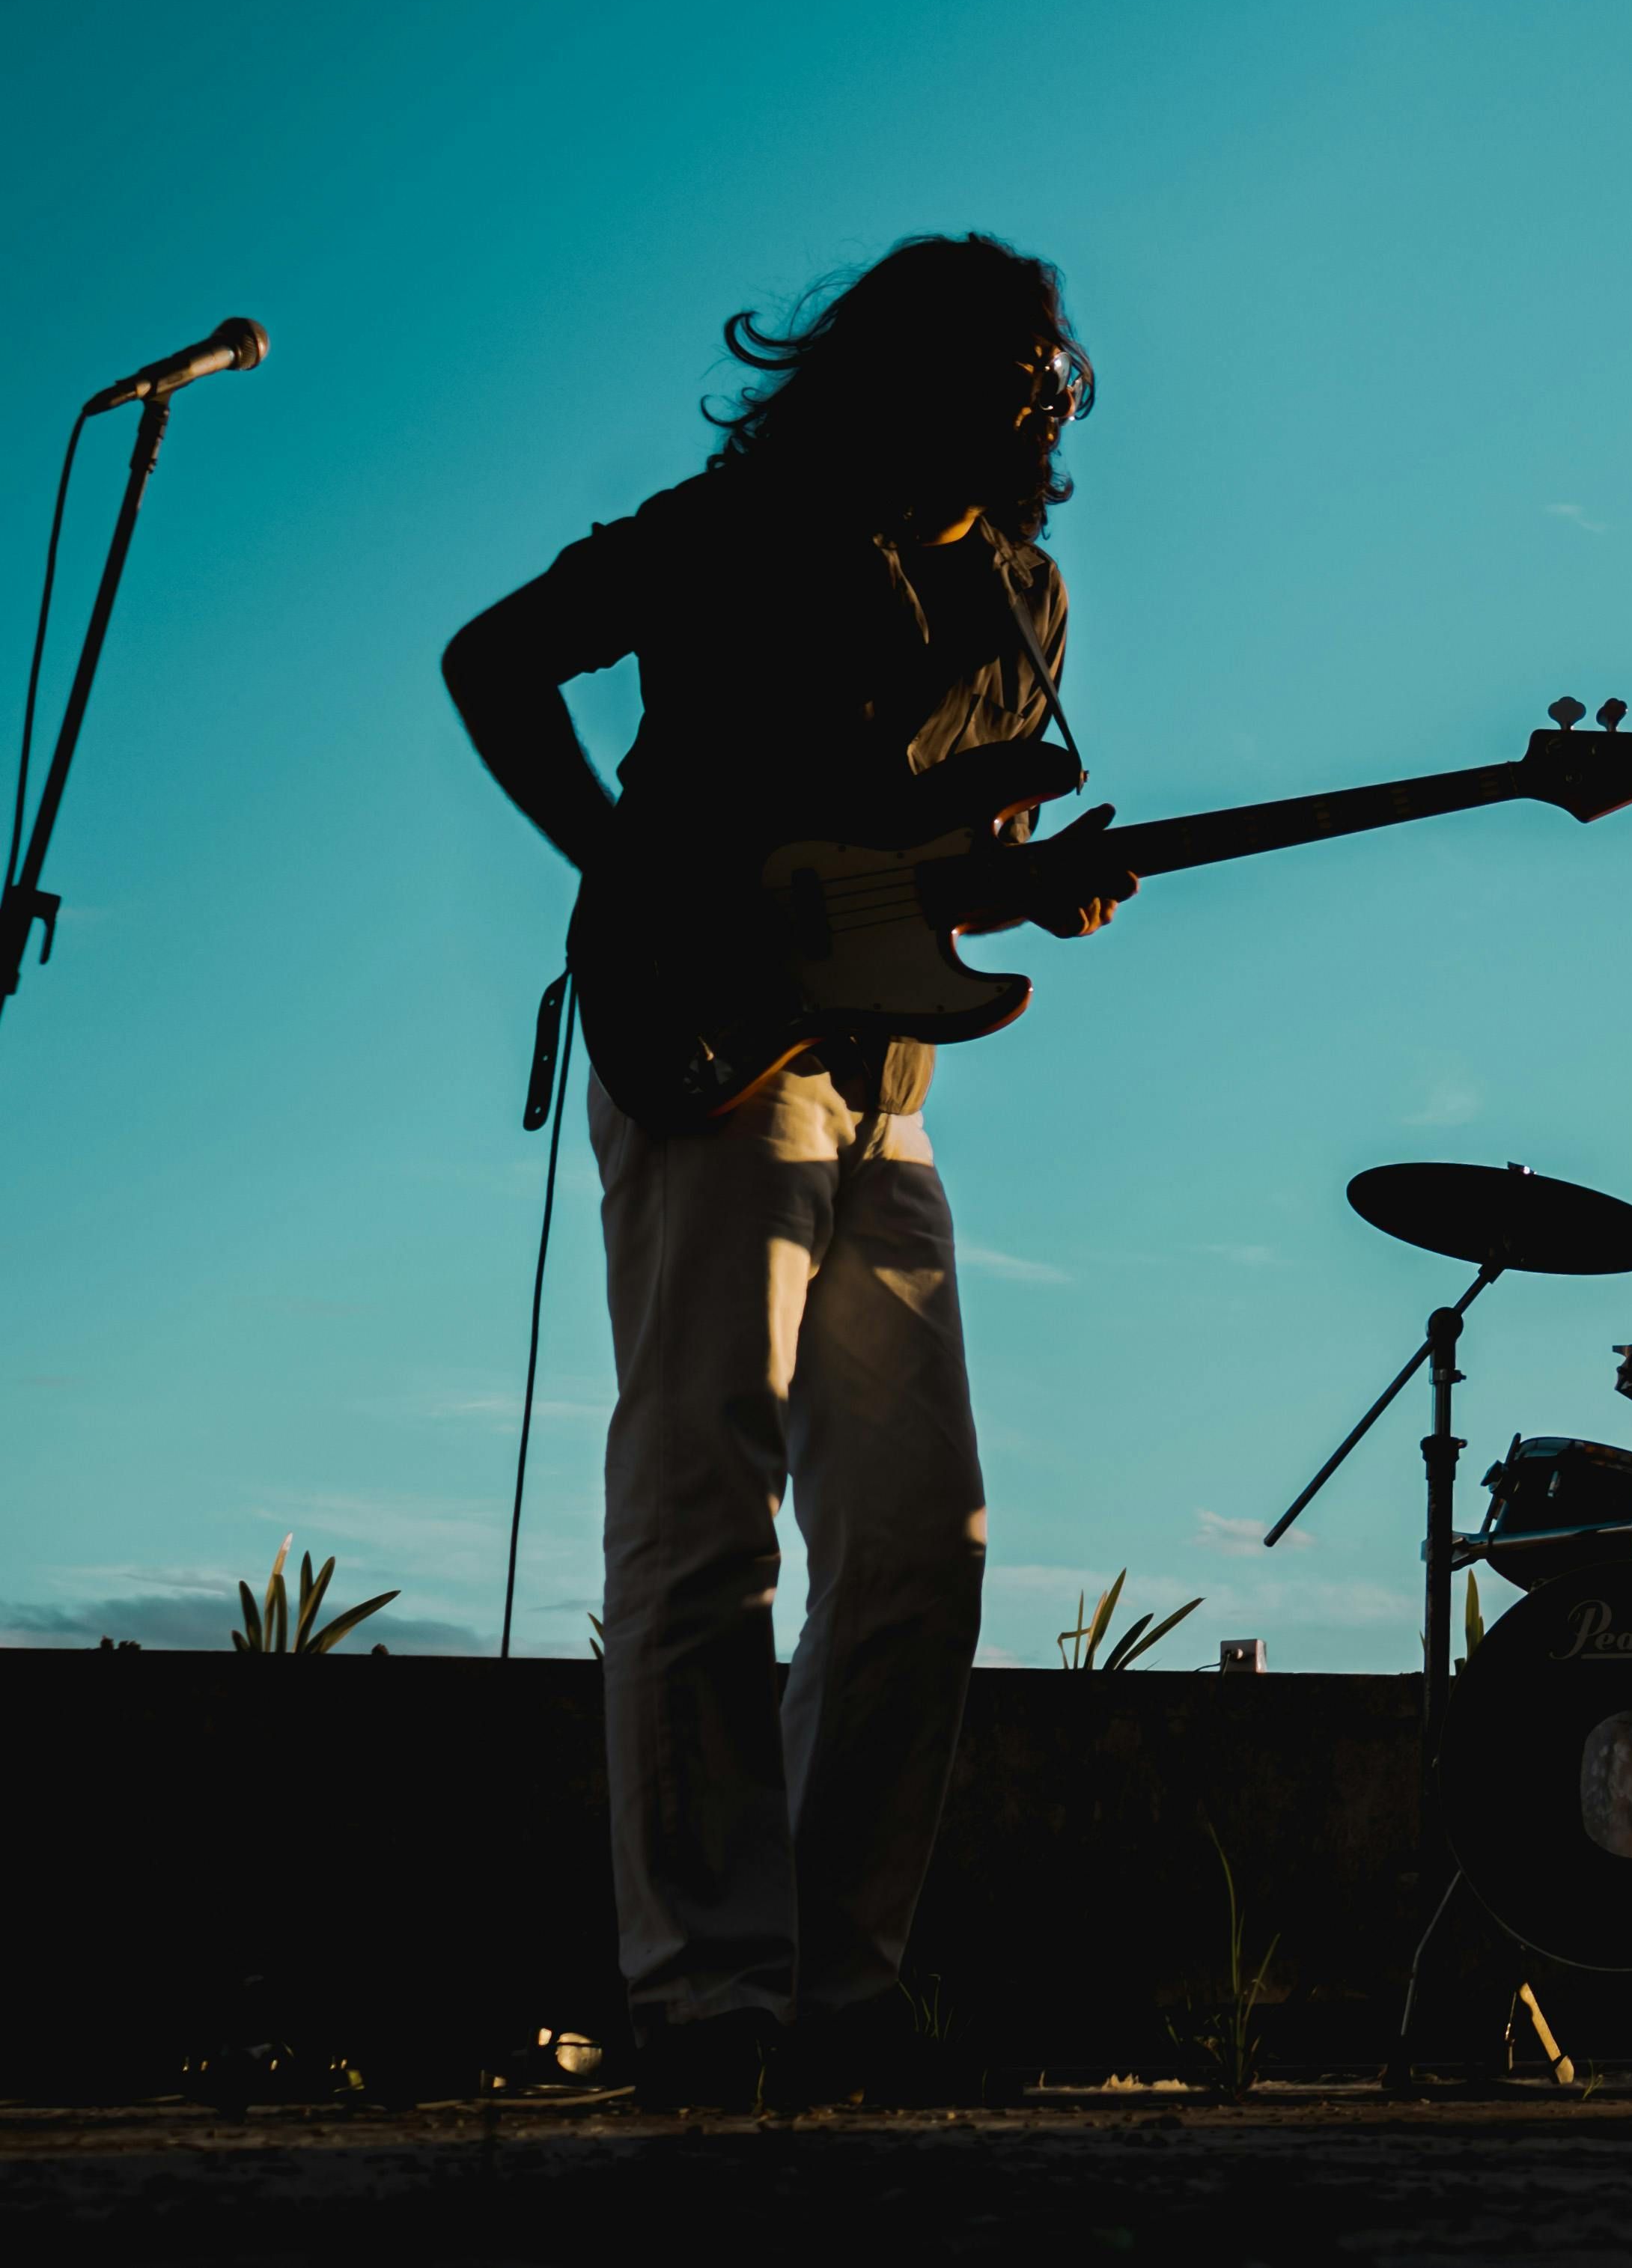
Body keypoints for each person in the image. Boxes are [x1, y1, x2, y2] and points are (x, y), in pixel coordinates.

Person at [443, 234, 1135, 2106]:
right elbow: (495, 660)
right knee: (702, 1508)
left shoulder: (1026, 595)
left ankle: (835, 1982)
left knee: (921, 1545)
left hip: (889, 1083)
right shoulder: (740, 521)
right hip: (711, 1054)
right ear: (915, 372)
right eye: (1017, 375)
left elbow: (947, 847)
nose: (1046, 408)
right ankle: (707, 1995)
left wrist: (1031, 885)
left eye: (1056, 385)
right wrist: (624, 864)